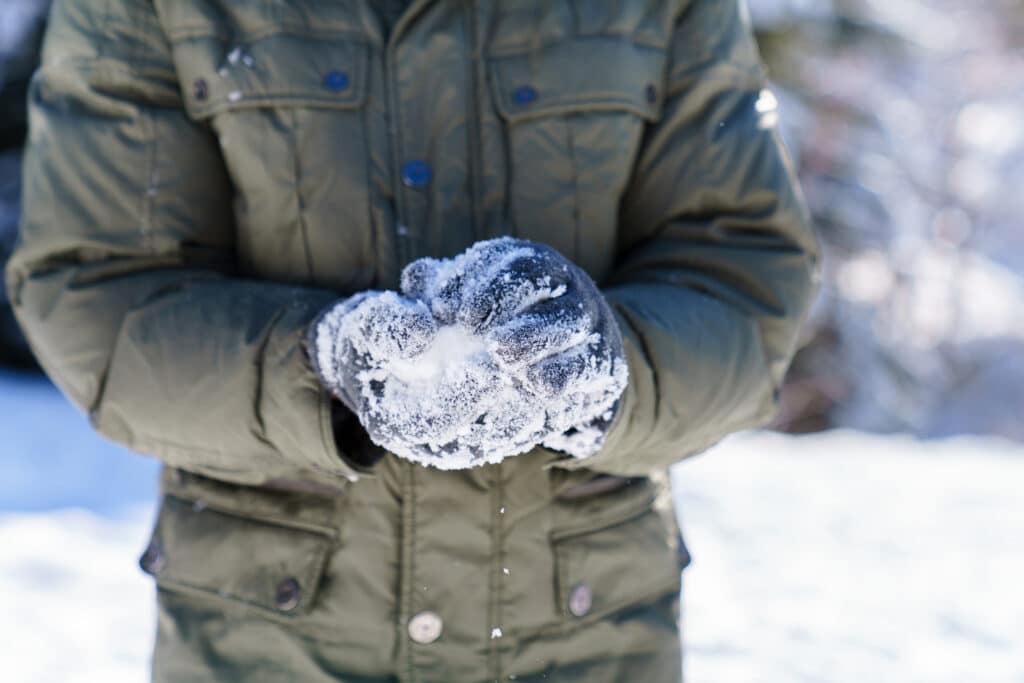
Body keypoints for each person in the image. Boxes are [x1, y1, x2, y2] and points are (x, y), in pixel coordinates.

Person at [6, 0, 819, 680]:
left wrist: (613, 367)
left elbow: (742, 270)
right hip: (267, 646)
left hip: (586, 642)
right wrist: (321, 364)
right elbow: (98, 294)